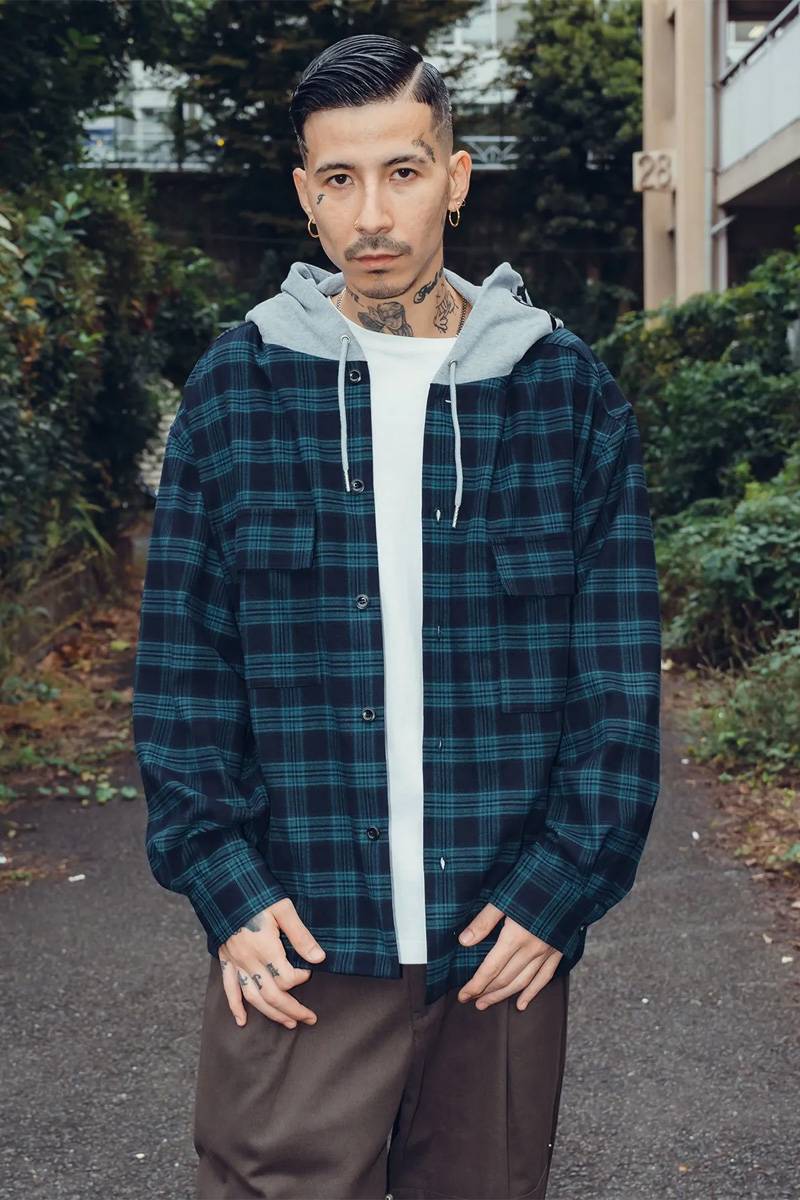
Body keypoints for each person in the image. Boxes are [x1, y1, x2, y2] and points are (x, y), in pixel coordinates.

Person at [132, 31, 662, 1200]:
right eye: (339, 178)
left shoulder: (562, 393)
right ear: (305, 197)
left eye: (403, 172)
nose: (372, 214)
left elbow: (616, 688)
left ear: (454, 179)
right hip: (302, 939)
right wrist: (224, 884)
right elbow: (182, 674)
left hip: (496, 948)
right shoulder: (237, 389)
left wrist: (557, 890)